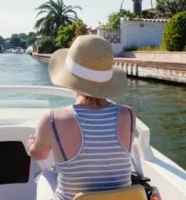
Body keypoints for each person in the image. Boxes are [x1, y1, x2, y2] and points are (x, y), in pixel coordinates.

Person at [27, 35, 136, 200]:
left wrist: (32, 144)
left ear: (69, 76)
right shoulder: (128, 115)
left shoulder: (52, 119)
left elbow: (39, 155)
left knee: (45, 176)